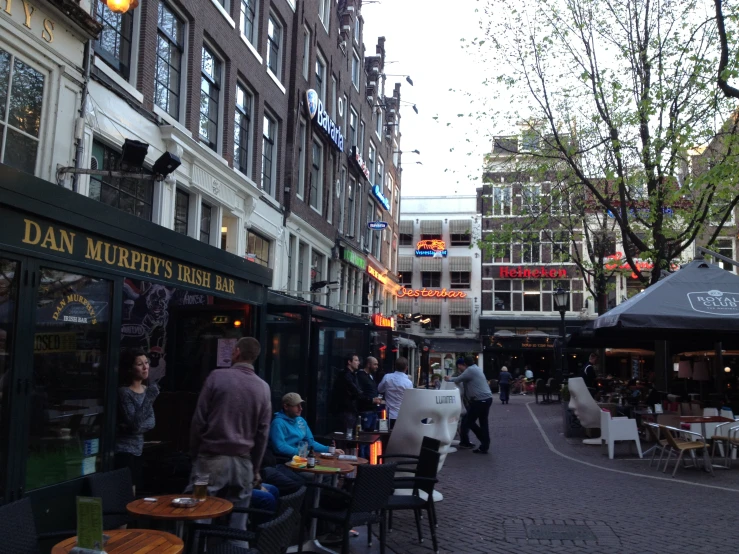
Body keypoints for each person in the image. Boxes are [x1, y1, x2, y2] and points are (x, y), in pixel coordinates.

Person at [189, 337, 271, 531]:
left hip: (209, 462)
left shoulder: (216, 377)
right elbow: (263, 433)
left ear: (236, 352)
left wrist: (195, 455)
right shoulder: (263, 388)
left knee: (199, 512)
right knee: (239, 522)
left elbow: (198, 421)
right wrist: (256, 467)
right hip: (243, 465)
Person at [115, 348, 160, 491]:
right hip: (123, 450)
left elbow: (151, 422)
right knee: (127, 491)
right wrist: (150, 398)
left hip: (139, 449)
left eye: (146, 363)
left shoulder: (146, 390)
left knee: (138, 490)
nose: (145, 367)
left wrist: (133, 427)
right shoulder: (124, 392)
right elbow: (135, 425)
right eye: (140, 364)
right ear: (130, 368)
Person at [269, 392, 344, 457]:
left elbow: (310, 443)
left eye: (301, 405)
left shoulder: (301, 420)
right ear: (286, 407)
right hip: (287, 461)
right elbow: (280, 447)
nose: (300, 408)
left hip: (302, 458)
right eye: (296, 405)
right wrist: (303, 453)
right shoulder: (278, 423)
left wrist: (329, 449)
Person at [445, 356, 493, 454]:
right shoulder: (476, 368)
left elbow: (458, 379)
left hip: (479, 400)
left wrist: (448, 379)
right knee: (483, 422)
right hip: (486, 399)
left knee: (469, 422)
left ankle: (485, 440)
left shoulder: (470, 370)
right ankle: (484, 445)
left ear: (465, 364)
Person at [330, 354, 363, 432]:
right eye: (356, 360)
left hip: (350, 409)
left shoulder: (352, 375)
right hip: (346, 410)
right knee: (348, 434)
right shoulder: (345, 375)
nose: (358, 363)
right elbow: (355, 390)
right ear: (349, 362)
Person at [378, 357, 414, 427]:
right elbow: (410, 399)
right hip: (402, 415)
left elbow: (380, 389)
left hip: (389, 414)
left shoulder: (387, 377)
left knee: (388, 434)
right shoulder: (408, 382)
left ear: (395, 366)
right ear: (406, 368)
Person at [356, 357, 383, 433]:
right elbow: (359, 393)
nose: (377, 367)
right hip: (365, 411)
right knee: (365, 436)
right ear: (368, 364)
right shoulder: (360, 376)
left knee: (371, 436)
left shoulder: (370, 376)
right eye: (375, 364)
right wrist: (371, 400)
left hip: (373, 411)